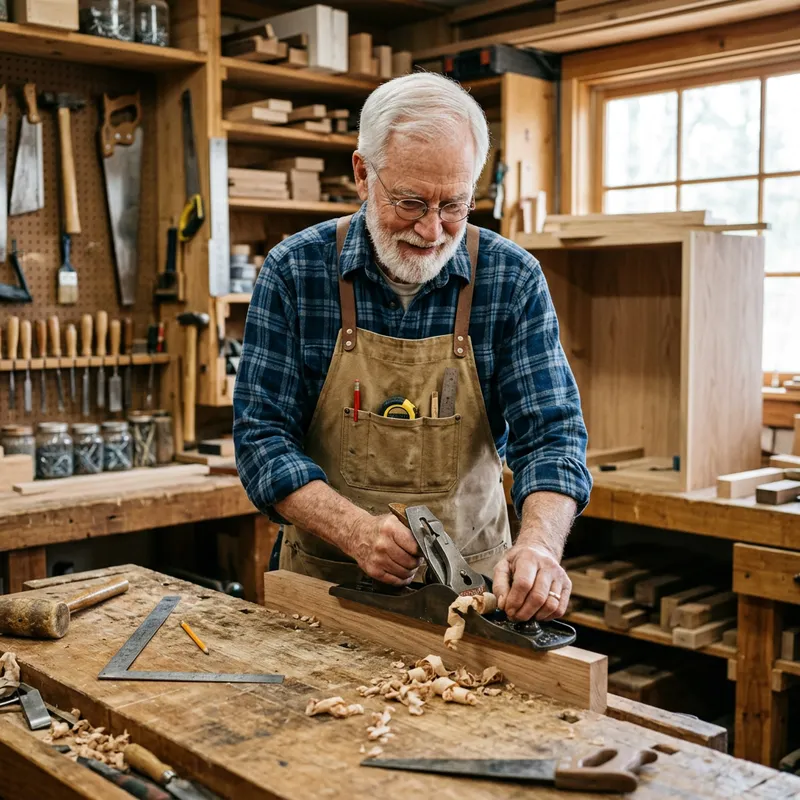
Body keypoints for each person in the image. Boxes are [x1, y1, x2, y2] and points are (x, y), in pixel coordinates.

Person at [233, 72, 591, 622]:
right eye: (410, 202)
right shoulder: (295, 272)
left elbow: (552, 436)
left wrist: (540, 543)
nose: (431, 230)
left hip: (472, 593)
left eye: (454, 205)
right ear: (362, 173)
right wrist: (352, 529)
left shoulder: (511, 279)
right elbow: (262, 440)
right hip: (325, 588)